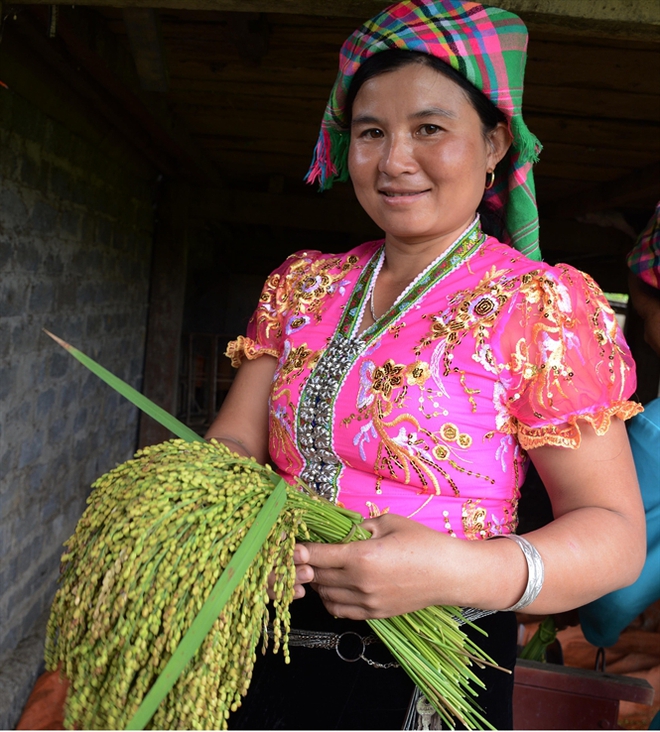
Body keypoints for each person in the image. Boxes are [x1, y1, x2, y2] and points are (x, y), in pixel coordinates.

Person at [206, 1, 646, 728]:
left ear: (496, 141)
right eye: (371, 132)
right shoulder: (303, 285)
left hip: (434, 664)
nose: (395, 161)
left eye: (430, 129)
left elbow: (614, 535)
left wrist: (460, 570)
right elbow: (233, 444)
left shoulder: (540, 307)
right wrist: (237, 527)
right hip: (265, 636)